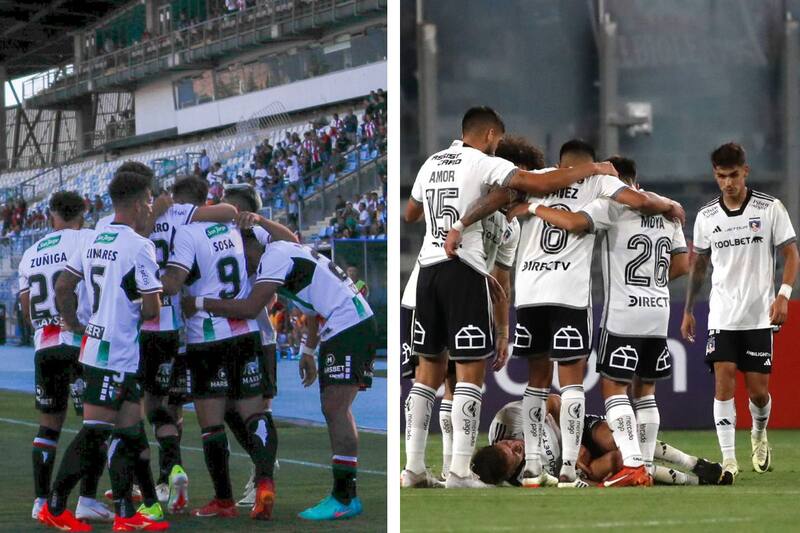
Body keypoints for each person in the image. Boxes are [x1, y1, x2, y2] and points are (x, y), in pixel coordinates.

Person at [403, 107, 627, 489]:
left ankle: (414, 469)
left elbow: (411, 213)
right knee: (468, 376)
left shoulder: (432, 163)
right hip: (464, 271)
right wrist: (592, 169)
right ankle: (458, 471)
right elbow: (533, 185)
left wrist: (450, 215)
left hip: (425, 275)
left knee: (429, 376)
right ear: (491, 135)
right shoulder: (483, 163)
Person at [444, 138, 683, 488]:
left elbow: (497, 196)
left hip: (530, 294)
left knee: (537, 383)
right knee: (571, 385)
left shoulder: (540, 178)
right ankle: (569, 468)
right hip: (569, 296)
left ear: (561, 162)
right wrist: (670, 203)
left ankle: (532, 467)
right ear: (592, 163)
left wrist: (461, 224)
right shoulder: (600, 181)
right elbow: (640, 200)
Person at [512, 156, 689, 486]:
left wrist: (532, 209)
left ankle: (634, 465)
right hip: (659, 311)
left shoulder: (613, 206)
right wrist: (653, 282)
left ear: (619, 183)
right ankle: (647, 466)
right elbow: (683, 263)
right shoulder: (669, 215)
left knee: (613, 388)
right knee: (646, 391)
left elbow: (575, 222)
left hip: (624, 313)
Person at [180, 239, 377, 521]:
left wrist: (198, 302)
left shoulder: (273, 257)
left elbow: (250, 308)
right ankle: (343, 495)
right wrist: (307, 350)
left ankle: (344, 497)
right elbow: (310, 307)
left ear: (251, 243)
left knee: (336, 409)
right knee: (333, 408)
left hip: (348, 323)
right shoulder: (286, 250)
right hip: (344, 323)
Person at [400, 135, 540, 487]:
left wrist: (504, 330)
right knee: (457, 378)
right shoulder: (482, 200)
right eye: (521, 178)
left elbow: (501, 279)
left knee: (441, 381)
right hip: (448, 286)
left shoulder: (511, 226)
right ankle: (455, 470)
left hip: (426, 289)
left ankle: (430, 468)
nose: (523, 187)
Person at [41, 162, 168, 532]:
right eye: (148, 201)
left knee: (129, 430)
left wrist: (78, 324)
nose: (150, 207)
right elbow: (151, 308)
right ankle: (55, 504)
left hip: (101, 345)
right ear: (139, 202)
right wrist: (135, 295)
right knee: (95, 430)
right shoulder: (140, 246)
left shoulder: (94, 237)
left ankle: (127, 516)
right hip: (114, 350)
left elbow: (64, 286)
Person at [681, 142, 799, 483]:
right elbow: (699, 264)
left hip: (759, 313)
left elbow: (792, 254)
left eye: (733, 175)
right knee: (724, 380)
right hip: (722, 314)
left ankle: (759, 433)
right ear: (715, 176)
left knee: (759, 391)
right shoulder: (707, 217)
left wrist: (783, 295)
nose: (728, 183)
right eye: (721, 176)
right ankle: (729, 460)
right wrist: (689, 309)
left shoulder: (769, 208)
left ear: (745, 171)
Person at [160, 197, 277, 521]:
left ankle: (223, 499)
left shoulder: (187, 234)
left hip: (207, 337)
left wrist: (144, 277)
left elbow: (173, 282)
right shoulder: (232, 228)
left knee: (212, 424)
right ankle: (264, 481)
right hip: (246, 333)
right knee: (256, 415)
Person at [139, 177, 240, 513]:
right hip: (183, 329)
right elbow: (229, 210)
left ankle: (167, 473)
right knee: (176, 403)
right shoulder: (194, 215)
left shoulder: (151, 215)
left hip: (150, 321)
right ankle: (167, 478)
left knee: (147, 402)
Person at [19, 192, 113, 523]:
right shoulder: (89, 239)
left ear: (51, 215)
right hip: (82, 341)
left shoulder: (31, 253)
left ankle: (40, 502)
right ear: (83, 214)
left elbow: (27, 310)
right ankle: (86, 497)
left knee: (48, 428)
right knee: (97, 423)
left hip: (45, 346)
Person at [473, 399, 724, 487]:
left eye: (509, 445)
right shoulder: (523, 479)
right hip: (577, 467)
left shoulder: (508, 420)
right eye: (516, 456)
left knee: (618, 441)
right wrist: (589, 477)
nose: (517, 447)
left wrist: (572, 444)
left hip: (577, 428)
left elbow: (554, 401)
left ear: (498, 441)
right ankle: (697, 481)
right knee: (618, 464)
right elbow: (573, 486)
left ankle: (693, 463)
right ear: (510, 471)